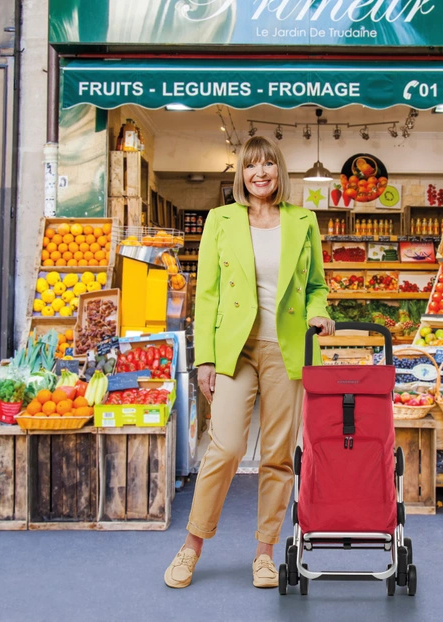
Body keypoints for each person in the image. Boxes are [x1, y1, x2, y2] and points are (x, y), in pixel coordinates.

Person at [164, 135, 334, 590]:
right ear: (241, 174)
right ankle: (191, 546)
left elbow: (317, 284)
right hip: (235, 350)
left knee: (278, 456)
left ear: (279, 171)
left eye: (268, 165)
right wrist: (206, 359)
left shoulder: (303, 221)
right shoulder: (221, 220)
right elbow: (209, 293)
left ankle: (264, 552)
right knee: (226, 448)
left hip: (286, 348)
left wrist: (319, 311)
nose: (260, 173)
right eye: (251, 166)